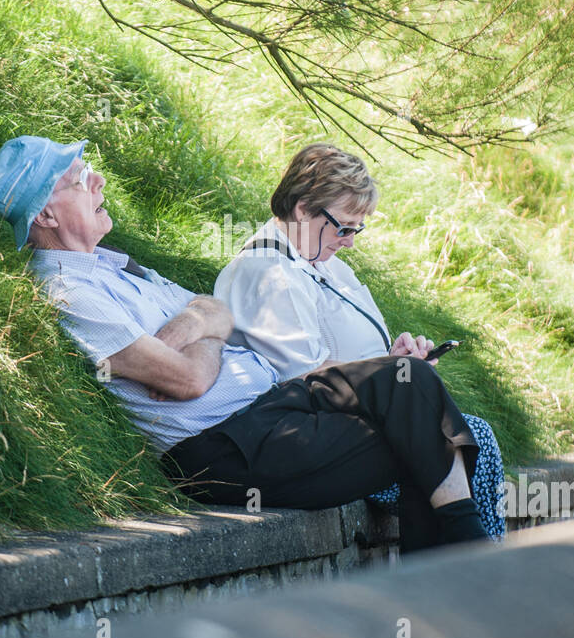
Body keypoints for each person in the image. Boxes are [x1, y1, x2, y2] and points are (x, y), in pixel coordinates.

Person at [0, 134, 489, 553]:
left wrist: (191, 327)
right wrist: (202, 334)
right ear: (45, 216)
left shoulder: (115, 267)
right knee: (425, 429)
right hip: (223, 446)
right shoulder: (69, 292)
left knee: (413, 391)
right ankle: (463, 563)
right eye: (77, 179)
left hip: (270, 409)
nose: (98, 180)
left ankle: (449, 575)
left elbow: (214, 308)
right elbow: (189, 379)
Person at [214, 143, 505, 540]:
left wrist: (394, 362)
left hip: (356, 417)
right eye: (344, 227)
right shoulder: (268, 273)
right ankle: (476, 565)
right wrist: (391, 381)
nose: (349, 240)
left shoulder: (328, 266)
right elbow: (305, 386)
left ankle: (469, 565)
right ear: (302, 209)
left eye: (358, 229)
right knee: (465, 438)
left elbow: (348, 368)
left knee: (467, 434)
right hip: (306, 438)